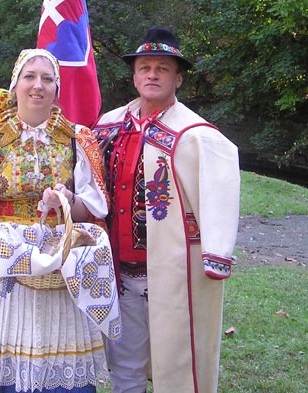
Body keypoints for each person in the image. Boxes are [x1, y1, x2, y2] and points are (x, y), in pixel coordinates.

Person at [0, 48, 121, 393]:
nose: (37, 85)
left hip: (59, 270)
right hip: (2, 271)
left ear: (57, 88)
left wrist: (68, 201)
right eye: (29, 77)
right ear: (15, 85)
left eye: (47, 78)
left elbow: (94, 209)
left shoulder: (77, 139)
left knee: (54, 364)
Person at [92, 28, 240, 393]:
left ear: (178, 78)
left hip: (174, 271)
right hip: (118, 269)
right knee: (124, 359)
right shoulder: (109, 126)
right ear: (135, 76)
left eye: (162, 68)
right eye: (145, 67)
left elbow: (220, 190)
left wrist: (216, 253)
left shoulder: (196, 135)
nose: (152, 74)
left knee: (179, 360)